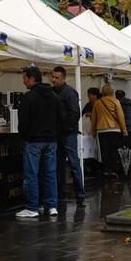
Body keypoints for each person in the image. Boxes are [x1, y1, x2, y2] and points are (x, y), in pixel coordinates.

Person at [16, 66, 63, 218]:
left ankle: (32, 207)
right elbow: (60, 118)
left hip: (33, 141)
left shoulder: (28, 97)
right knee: (50, 174)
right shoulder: (54, 96)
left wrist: (24, 136)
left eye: (24, 78)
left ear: (31, 78)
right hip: (51, 140)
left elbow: (23, 121)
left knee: (32, 175)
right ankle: (51, 206)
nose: (23, 82)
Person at [51, 66, 85, 208]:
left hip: (68, 133)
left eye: (56, 77)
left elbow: (74, 114)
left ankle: (80, 196)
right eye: (52, 77)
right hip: (58, 133)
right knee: (58, 165)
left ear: (64, 78)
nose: (53, 80)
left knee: (73, 164)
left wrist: (66, 128)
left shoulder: (70, 93)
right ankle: (61, 195)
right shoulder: (52, 92)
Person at [91, 84, 127, 178]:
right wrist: (124, 129)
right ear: (112, 91)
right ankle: (114, 170)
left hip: (101, 130)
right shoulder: (116, 101)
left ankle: (106, 170)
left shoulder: (97, 102)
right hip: (114, 129)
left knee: (104, 151)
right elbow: (120, 116)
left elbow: (94, 118)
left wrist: (93, 130)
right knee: (113, 151)